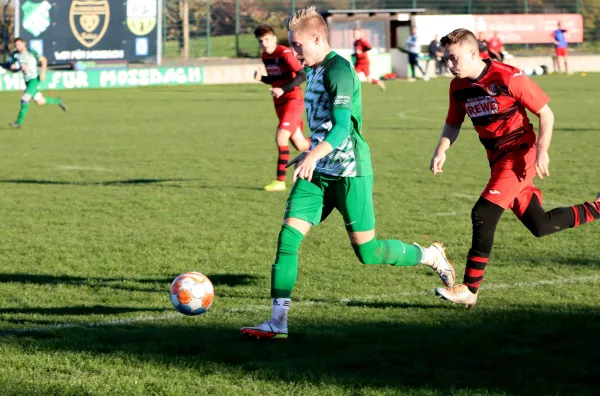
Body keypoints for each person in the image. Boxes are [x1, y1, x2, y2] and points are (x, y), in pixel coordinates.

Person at [241, 6, 456, 340]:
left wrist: (312, 153)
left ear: (317, 37)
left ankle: (430, 255)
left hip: (351, 171)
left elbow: (342, 128)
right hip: (318, 171)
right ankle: (278, 322)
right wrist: (309, 156)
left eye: (298, 44)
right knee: (288, 238)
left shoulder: (338, 70)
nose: (294, 51)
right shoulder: (311, 68)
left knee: (367, 254)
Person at [430, 28, 599, 308]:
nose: (449, 65)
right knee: (541, 225)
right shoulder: (458, 87)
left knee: (483, 212)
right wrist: (441, 150)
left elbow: (545, 113)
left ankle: (469, 289)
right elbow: (453, 123)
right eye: (446, 59)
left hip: (520, 155)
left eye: (453, 58)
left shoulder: (507, 76)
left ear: (473, 53)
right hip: (497, 160)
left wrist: (542, 151)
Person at [254, 25, 311, 192]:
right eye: (261, 40)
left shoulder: (285, 53)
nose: (264, 43)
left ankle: (280, 181)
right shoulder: (265, 56)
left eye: (267, 39)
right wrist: (262, 78)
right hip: (279, 102)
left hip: (293, 100)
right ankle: (328, 147)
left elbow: (302, 75)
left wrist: (283, 90)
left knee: (281, 138)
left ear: (274, 39)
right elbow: (276, 78)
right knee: (300, 145)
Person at [8, 37, 67, 128]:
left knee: (24, 99)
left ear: (24, 44)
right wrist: (19, 67)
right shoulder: (15, 55)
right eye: (16, 45)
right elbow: (11, 67)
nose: (18, 46)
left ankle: (18, 122)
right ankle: (58, 100)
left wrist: (43, 72)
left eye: (19, 44)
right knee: (40, 101)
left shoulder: (32, 52)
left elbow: (44, 60)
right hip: (27, 81)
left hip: (34, 79)